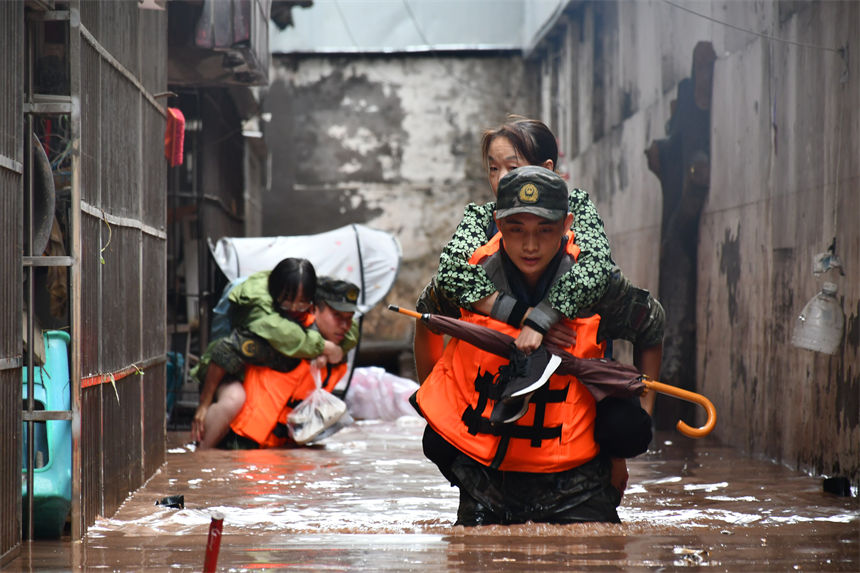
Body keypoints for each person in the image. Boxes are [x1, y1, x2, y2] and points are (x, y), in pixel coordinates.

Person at [414, 115, 664, 493]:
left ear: (562, 225)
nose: (530, 245)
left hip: (571, 405)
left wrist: (547, 315)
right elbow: (437, 295)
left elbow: (607, 284)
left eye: (513, 168)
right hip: (494, 412)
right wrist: (516, 314)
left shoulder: (581, 239)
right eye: (493, 169)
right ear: (500, 222)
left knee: (621, 424)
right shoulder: (480, 235)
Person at [190, 259, 356, 449]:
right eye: (287, 301)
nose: (294, 309)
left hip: (271, 427)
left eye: (302, 304)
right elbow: (223, 353)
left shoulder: (319, 332)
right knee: (233, 399)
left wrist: (325, 352)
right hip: (224, 374)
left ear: (312, 304)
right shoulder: (270, 328)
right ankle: (200, 454)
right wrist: (204, 405)